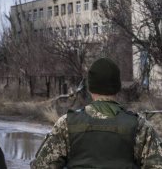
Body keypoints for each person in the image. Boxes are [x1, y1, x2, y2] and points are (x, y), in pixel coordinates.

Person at [31, 57, 162, 168]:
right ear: (117, 88)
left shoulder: (66, 124)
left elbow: (41, 165)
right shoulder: (140, 127)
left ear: (90, 88)